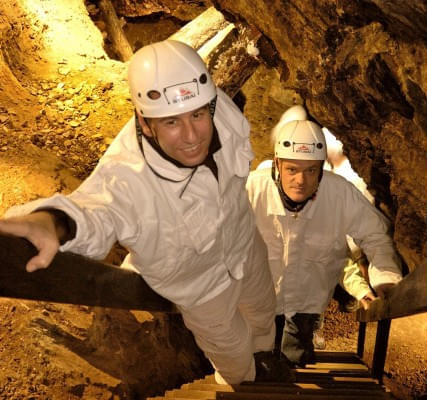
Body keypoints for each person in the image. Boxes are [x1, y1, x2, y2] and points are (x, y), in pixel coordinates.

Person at [0, 40, 290, 385]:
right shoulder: (128, 178)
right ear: (144, 120)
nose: (192, 135)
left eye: (197, 114)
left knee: (262, 312)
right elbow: (94, 209)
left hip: (245, 245)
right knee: (235, 353)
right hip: (202, 289)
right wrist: (52, 222)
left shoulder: (220, 111)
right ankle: (250, 386)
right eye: (171, 122)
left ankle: (267, 356)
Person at [246, 114, 403, 366]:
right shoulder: (251, 191)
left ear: (321, 168)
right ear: (277, 164)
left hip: (306, 305)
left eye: (310, 170)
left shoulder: (339, 194)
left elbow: (375, 234)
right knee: (255, 366)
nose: (301, 180)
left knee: (293, 360)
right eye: (292, 169)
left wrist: (385, 276)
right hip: (259, 300)